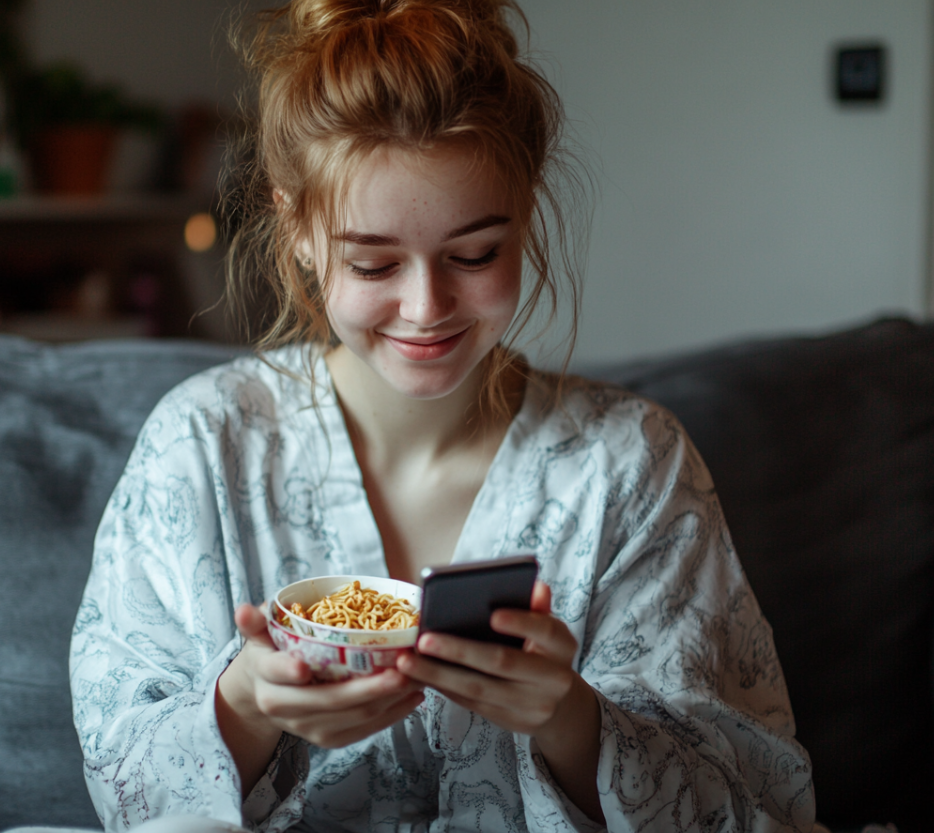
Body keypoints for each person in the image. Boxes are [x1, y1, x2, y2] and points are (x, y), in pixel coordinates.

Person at [68, 0, 817, 830]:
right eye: (372, 261)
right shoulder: (202, 445)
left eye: (474, 254)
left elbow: (751, 797)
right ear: (297, 226)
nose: (425, 307)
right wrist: (245, 704)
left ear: (526, 213)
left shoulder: (628, 464)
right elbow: (119, 776)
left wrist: (570, 718)